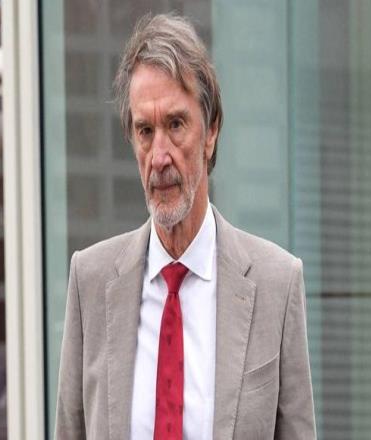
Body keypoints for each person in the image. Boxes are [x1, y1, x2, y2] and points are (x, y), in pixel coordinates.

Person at [55, 13, 316, 440]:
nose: (159, 156)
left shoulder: (276, 283)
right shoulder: (91, 281)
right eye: (145, 130)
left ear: (210, 131)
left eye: (175, 125)